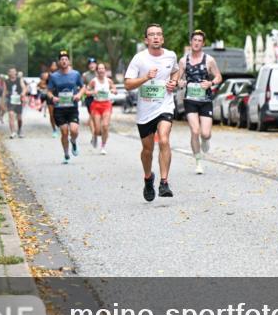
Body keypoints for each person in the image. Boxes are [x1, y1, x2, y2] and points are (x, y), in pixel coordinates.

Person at [124, 23, 180, 201]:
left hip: (165, 106)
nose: (156, 37)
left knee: (164, 139)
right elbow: (127, 84)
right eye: (152, 35)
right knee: (147, 150)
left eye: (159, 34)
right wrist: (145, 77)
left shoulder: (171, 56)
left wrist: (174, 82)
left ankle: (164, 182)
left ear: (162, 38)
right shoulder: (139, 59)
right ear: (146, 39)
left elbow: (176, 72)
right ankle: (148, 178)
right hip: (145, 111)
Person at [179, 30, 222, 174]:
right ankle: (198, 162)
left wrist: (210, 83)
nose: (196, 42)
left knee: (205, 133)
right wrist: (181, 82)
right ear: (190, 42)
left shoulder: (209, 60)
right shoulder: (183, 61)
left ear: (203, 44)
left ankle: (205, 140)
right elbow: (177, 79)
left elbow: (218, 77)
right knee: (195, 130)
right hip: (190, 100)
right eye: (194, 40)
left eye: (199, 40)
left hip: (205, 100)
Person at [47, 51, 85, 164]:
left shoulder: (75, 74)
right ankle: (66, 154)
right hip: (59, 109)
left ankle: (73, 141)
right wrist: (53, 97)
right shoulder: (54, 76)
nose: (64, 61)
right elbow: (48, 91)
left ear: (68, 61)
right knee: (64, 132)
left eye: (66, 59)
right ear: (59, 62)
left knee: (74, 130)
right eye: (62, 59)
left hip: (72, 107)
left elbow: (83, 87)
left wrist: (79, 95)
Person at [85, 61, 117, 154]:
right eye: (99, 68)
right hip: (96, 105)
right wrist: (92, 92)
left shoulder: (109, 81)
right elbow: (86, 91)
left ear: (105, 70)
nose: (101, 70)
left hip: (106, 105)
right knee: (98, 130)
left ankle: (103, 146)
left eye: (103, 68)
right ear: (97, 71)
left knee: (105, 126)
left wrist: (113, 90)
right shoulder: (93, 81)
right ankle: (94, 136)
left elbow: (114, 89)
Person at [2, 67, 27, 138]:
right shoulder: (6, 81)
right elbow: (4, 92)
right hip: (10, 99)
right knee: (11, 114)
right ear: (8, 73)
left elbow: (24, 88)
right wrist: (3, 102)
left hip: (18, 99)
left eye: (14, 71)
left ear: (16, 72)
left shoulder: (19, 80)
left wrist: (23, 93)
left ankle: (19, 130)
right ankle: (13, 132)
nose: (12, 73)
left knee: (19, 118)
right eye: (11, 72)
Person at [82, 58, 99, 147]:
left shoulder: (100, 73)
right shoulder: (85, 75)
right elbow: (82, 87)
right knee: (92, 117)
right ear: (88, 66)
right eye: (90, 64)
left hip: (101, 99)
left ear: (96, 65)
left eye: (94, 63)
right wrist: (88, 92)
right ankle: (94, 135)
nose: (92, 65)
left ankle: (96, 132)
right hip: (90, 98)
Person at [38, 70, 58, 137]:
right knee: (52, 115)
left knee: (59, 113)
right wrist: (47, 87)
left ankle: (61, 126)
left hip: (58, 97)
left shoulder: (58, 77)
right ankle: (54, 130)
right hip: (50, 97)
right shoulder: (45, 80)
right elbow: (40, 85)